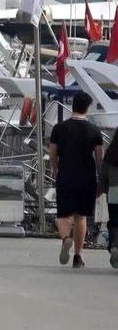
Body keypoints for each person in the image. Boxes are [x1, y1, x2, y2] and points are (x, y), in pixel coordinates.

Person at [50, 91, 103, 268]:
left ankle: (66, 238)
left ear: (73, 106)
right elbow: (99, 158)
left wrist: (56, 170)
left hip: (66, 174)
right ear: (87, 108)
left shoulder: (59, 128)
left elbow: (52, 154)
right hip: (87, 178)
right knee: (81, 217)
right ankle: (78, 257)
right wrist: (101, 179)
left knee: (63, 215)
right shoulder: (94, 130)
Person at [97, 127, 118, 269]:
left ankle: (115, 245)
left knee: (115, 222)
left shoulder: (111, 153)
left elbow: (103, 174)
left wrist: (101, 189)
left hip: (114, 191)